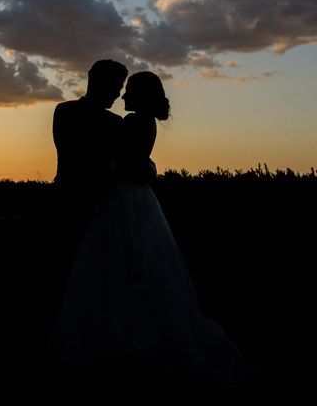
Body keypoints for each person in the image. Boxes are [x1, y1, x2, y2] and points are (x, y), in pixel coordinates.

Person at [49, 71, 243, 387]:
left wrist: (111, 167)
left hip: (123, 199)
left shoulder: (133, 123)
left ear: (139, 95)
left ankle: (125, 339)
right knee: (138, 266)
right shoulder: (143, 122)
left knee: (121, 266)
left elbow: (123, 162)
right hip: (138, 198)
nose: (123, 97)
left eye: (128, 92)